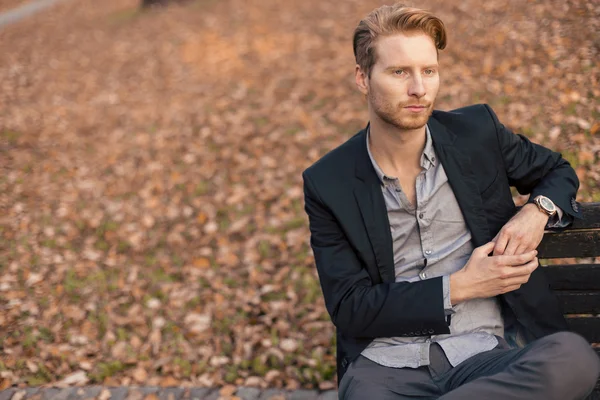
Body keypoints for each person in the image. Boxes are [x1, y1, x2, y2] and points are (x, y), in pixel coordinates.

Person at [302, 3, 600, 399]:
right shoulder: (329, 181)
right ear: (362, 78)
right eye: (399, 72)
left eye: (429, 71)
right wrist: (460, 286)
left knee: (573, 359)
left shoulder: (477, 134)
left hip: (484, 359)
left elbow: (558, 171)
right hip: (386, 370)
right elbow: (352, 308)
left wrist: (536, 211)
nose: (419, 89)